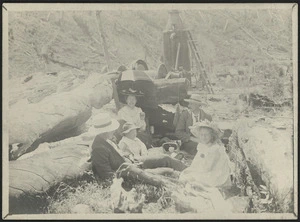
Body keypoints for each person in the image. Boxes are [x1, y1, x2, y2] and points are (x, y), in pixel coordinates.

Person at [91, 113, 187, 185]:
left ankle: (189, 171)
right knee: (166, 171)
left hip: (133, 160)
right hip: (129, 169)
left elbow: (118, 153)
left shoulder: (107, 139)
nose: (113, 130)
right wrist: (134, 173)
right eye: (111, 129)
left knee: (165, 158)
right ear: (104, 131)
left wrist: (129, 157)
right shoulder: (98, 149)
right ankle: (183, 180)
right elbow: (108, 176)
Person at [179, 120, 232, 188]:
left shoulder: (215, 148)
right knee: (185, 174)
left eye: (206, 135)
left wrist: (194, 173)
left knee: (189, 178)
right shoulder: (203, 145)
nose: (204, 137)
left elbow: (207, 167)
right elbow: (197, 161)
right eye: (201, 135)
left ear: (212, 135)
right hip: (206, 170)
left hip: (216, 175)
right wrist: (191, 169)